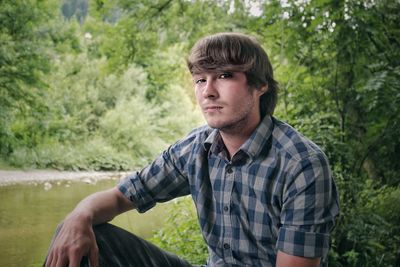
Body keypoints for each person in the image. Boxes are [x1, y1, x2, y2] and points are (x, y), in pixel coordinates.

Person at [44, 32, 339, 267]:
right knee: (77, 232)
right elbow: (121, 197)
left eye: (224, 76)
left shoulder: (302, 164)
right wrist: (79, 215)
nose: (208, 91)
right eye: (200, 79)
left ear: (260, 85)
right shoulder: (196, 147)